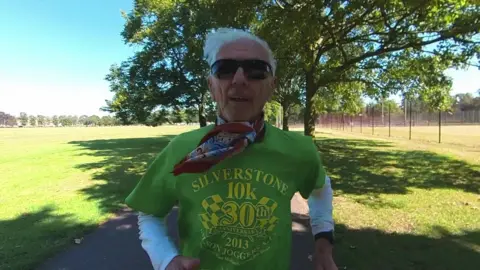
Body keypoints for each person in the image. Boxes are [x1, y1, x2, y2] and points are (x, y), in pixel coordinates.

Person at [125, 28, 337, 270]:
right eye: (224, 69)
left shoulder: (299, 150)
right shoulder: (181, 149)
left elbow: (320, 188)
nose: (238, 79)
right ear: (211, 85)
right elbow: (150, 212)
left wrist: (323, 245)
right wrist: (166, 259)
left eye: (256, 70)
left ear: (272, 86)